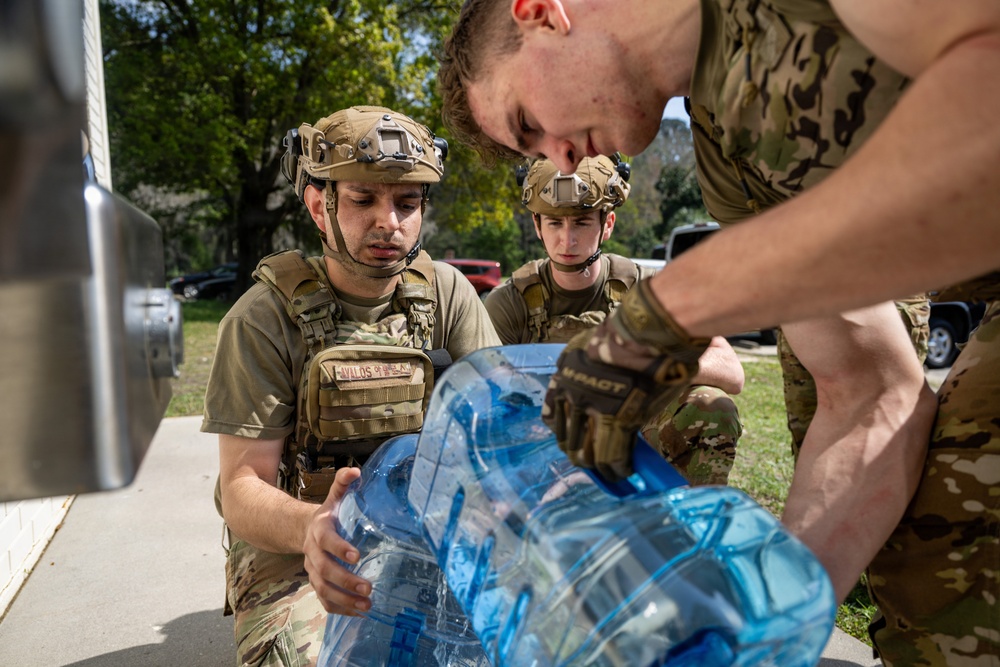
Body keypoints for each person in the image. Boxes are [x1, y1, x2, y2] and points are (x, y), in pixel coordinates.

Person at [437, 1, 1000, 663]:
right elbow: (871, 394)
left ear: (539, 12)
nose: (557, 159)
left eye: (529, 123)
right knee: (944, 575)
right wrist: (747, 628)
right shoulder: (727, 159)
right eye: (530, 152)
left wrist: (669, 309)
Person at [201, 105, 501, 666]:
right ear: (320, 206)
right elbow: (244, 487)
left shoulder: (448, 295)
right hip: (297, 539)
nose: (389, 221)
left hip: (420, 528)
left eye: (407, 204)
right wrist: (314, 527)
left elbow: (499, 424)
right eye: (364, 200)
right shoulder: (261, 319)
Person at [486, 154, 744, 485]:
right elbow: (488, 399)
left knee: (711, 406)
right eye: (554, 223)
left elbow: (731, 371)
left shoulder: (644, 286)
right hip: (545, 442)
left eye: (580, 222)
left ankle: (687, 520)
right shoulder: (511, 301)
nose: (568, 241)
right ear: (537, 225)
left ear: (607, 224)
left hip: (632, 436)